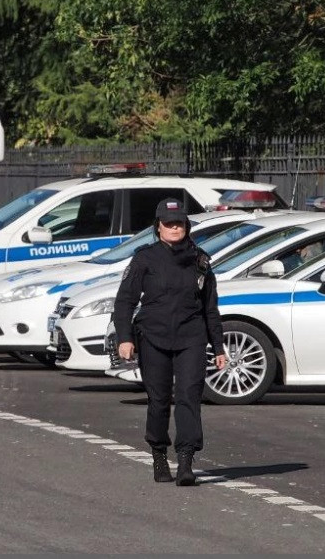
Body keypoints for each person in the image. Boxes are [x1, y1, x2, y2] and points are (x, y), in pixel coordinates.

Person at [113, 198, 227, 487]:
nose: (175, 228)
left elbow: (210, 308)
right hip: (153, 336)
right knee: (159, 399)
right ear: (159, 227)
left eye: (179, 223)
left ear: (187, 226)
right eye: (169, 223)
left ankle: (186, 460)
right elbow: (125, 301)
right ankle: (159, 454)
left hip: (191, 337)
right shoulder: (144, 258)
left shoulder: (200, 260)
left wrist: (218, 347)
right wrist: (125, 338)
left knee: (189, 397)